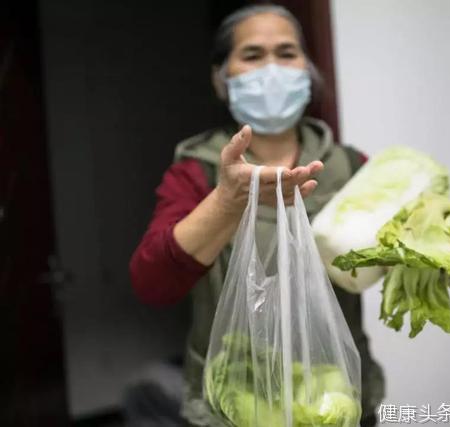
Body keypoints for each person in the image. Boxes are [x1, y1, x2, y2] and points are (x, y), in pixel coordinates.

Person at [129, 5, 384, 426]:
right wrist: (228, 200)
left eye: (286, 53)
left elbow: (390, 262)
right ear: (221, 78)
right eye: (252, 55)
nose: (271, 69)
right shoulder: (195, 172)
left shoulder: (353, 167)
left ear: (308, 71)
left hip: (339, 399)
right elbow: (152, 283)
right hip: (234, 405)